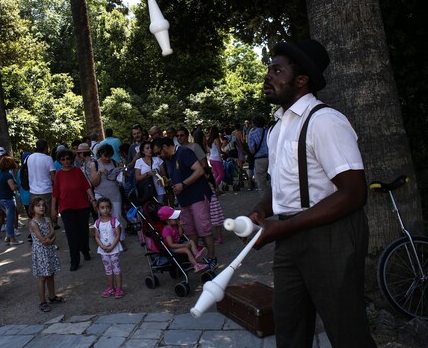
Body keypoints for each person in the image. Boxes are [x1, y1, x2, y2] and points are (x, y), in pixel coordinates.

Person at [248, 39, 375, 348]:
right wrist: (261, 212)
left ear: (301, 80)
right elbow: (282, 186)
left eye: (277, 70)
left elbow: (354, 194)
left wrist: (284, 226)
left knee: (346, 331)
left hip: (331, 236)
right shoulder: (277, 128)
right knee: (289, 325)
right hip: (289, 238)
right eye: (269, 69)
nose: (268, 76)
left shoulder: (325, 122)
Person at [152, 137, 217, 269]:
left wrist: (183, 184)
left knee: (204, 229)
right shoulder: (168, 160)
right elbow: (178, 176)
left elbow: (199, 170)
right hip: (183, 199)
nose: (158, 156)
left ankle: (212, 258)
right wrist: (169, 182)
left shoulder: (183, 152)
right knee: (189, 229)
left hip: (197, 196)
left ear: (165, 147)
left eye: (159, 152)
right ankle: (195, 260)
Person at [51, 149, 97, 271]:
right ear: (60, 161)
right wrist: (53, 209)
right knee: (72, 235)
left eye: (68, 158)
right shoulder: (59, 174)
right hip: (66, 208)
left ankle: (85, 250)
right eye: (63, 159)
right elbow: (55, 193)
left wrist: (93, 200)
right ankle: (74, 260)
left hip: (82, 206)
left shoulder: (77, 171)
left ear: (71, 159)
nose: (66, 161)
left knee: (83, 231)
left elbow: (87, 186)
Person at [29, 197, 63, 313]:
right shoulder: (33, 223)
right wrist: (51, 235)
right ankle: (42, 301)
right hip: (40, 252)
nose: (41, 207)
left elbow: (53, 235)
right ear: (33, 208)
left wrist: (51, 238)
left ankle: (52, 296)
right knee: (42, 277)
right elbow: (43, 238)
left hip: (49, 251)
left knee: (51, 274)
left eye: (43, 205)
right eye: (38, 205)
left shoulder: (47, 219)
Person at [89, 144, 125, 240]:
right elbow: (94, 183)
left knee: (117, 217)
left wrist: (121, 171)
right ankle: (106, 240)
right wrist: (99, 172)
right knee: (103, 219)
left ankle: (119, 239)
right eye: (105, 156)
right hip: (101, 195)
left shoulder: (114, 162)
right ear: (100, 153)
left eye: (109, 156)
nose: (107, 158)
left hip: (115, 194)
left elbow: (120, 179)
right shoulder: (95, 164)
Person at [157, 206, 207, 272]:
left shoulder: (174, 226)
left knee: (191, 241)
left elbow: (179, 235)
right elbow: (171, 245)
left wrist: (180, 226)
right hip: (172, 249)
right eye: (175, 219)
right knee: (186, 249)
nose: (177, 219)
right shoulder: (166, 231)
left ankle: (196, 255)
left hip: (178, 244)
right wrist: (183, 245)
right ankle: (196, 265)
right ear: (167, 221)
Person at [93, 198, 124, 298]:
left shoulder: (114, 221)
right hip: (104, 251)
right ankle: (111, 287)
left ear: (110, 208)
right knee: (108, 270)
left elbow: (117, 235)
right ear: (98, 209)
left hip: (114, 250)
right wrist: (102, 246)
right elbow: (97, 236)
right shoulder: (97, 223)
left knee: (116, 270)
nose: (105, 210)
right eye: (102, 207)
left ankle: (119, 288)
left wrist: (111, 247)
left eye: (107, 207)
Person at [28, 139, 57, 227]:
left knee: (36, 215)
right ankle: (48, 234)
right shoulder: (48, 158)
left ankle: (37, 235)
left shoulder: (30, 157)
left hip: (33, 191)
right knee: (47, 216)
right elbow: (53, 177)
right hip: (46, 190)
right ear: (45, 148)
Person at [0, 156, 23, 246]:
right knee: (10, 220)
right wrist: (18, 186)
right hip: (8, 200)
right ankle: (12, 239)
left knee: (8, 219)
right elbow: (12, 187)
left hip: (0, 200)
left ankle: (8, 237)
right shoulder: (8, 175)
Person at [247, 115, 269, 192]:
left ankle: (266, 201)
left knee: (261, 184)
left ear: (254, 124)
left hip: (260, 159)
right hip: (271, 158)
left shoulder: (252, 134)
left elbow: (252, 150)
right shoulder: (268, 131)